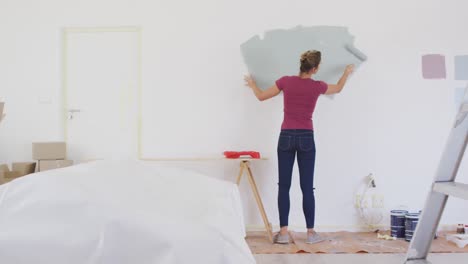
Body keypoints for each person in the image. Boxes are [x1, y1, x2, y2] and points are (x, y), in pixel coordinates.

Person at [244, 50, 354, 244]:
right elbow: (337, 88)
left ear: (301, 65)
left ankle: (284, 233)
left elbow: (261, 96)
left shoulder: (286, 81)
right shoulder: (317, 86)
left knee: (283, 186)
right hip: (306, 137)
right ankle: (311, 233)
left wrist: (253, 84)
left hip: (286, 136)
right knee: (307, 188)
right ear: (315, 69)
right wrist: (346, 72)